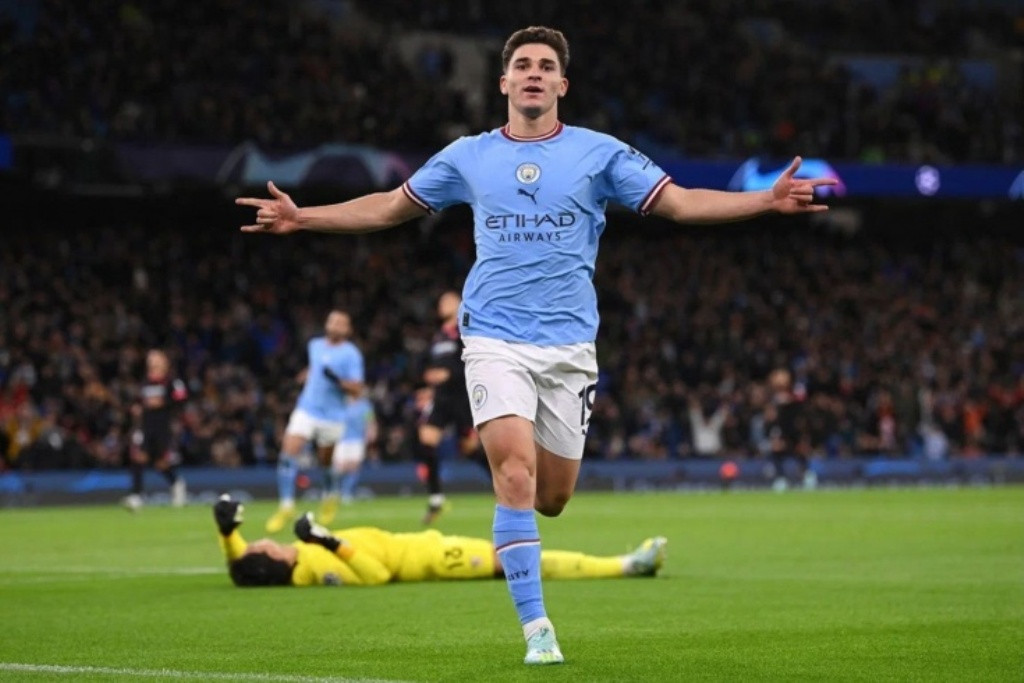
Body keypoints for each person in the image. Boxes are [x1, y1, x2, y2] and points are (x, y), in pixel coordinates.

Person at [236, 25, 836, 665]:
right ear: (503, 82)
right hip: (493, 337)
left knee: (551, 498)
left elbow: (682, 204)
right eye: (522, 64)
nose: (533, 73)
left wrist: (765, 200)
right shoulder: (468, 156)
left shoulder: (600, 153)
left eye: (546, 66)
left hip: (570, 347)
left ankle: (528, 554)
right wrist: (303, 217)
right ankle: (537, 630)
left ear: (562, 84)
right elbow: (388, 207)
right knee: (514, 474)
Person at [214, 495, 666, 587]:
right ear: (269, 559)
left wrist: (226, 532)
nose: (259, 541)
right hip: (436, 559)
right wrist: (328, 541)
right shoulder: (313, 566)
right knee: (523, 558)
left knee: (520, 556)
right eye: (257, 547)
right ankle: (627, 565)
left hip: (426, 546)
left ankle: (628, 564)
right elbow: (376, 575)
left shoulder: (291, 559)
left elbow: (239, 563)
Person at [266, 310, 364, 533]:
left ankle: (330, 495)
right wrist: (303, 377)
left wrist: (338, 381)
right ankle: (286, 505)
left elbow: (357, 389)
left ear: (348, 330)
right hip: (307, 409)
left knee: (325, 462)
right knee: (288, 453)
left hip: (333, 416)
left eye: (340, 323)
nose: (335, 325)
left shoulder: (351, 355)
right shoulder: (315, 345)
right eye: (332, 321)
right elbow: (315, 367)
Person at [416, 290, 481, 525]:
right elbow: (425, 364)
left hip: (461, 397)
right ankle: (436, 498)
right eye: (441, 301)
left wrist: (450, 374)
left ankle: (504, 483)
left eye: (448, 301)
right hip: (442, 398)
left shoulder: (466, 331)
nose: (442, 304)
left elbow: (473, 361)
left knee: (470, 449)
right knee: (427, 440)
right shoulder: (438, 337)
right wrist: (427, 377)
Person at [122, 349, 187, 511]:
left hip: (163, 426)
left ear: (164, 362)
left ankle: (176, 483)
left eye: (156, 359)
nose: (152, 362)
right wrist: (136, 408)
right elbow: (139, 400)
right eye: (150, 359)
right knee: (138, 456)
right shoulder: (145, 382)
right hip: (146, 425)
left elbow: (181, 398)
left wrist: (162, 402)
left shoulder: (172, 381)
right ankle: (136, 495)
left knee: (160, 463)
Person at [320, 394, 377, 518]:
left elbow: (370, 421)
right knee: (338, 467)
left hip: (357, 439)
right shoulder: (339, 401)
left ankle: (346, 494)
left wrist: (371, 432)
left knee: (354, 467)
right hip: (340, 439)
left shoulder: (364, 405)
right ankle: (333, 491)